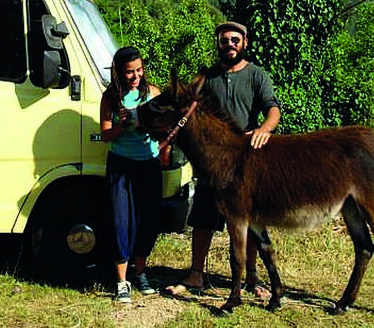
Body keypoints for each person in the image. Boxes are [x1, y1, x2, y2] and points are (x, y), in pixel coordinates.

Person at [165, 21, 281, 299]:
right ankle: (196, 274)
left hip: (245, 161)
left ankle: (251, 277)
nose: (229, 44)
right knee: (203, 217)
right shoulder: (208, 77)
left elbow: (273, 109)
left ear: (245, 43)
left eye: (234, 40)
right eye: (224, 40)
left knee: (250, 219)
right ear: (218, 43)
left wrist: (264, 130)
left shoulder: (257, 75)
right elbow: (187, 107)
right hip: (212, 162)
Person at [100, 46, 163, 304]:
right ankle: (121, 281)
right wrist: (121, 126)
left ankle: (140, 273)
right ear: (118, 72)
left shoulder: (154, 93)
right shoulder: (110, 98)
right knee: (121, 221)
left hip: (149, 163)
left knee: (149, 220)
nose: (136, 76)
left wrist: (157, 136)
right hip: (121, 165)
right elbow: (105, 135)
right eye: (129, 72)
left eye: (139, 70)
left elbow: (165, 128)